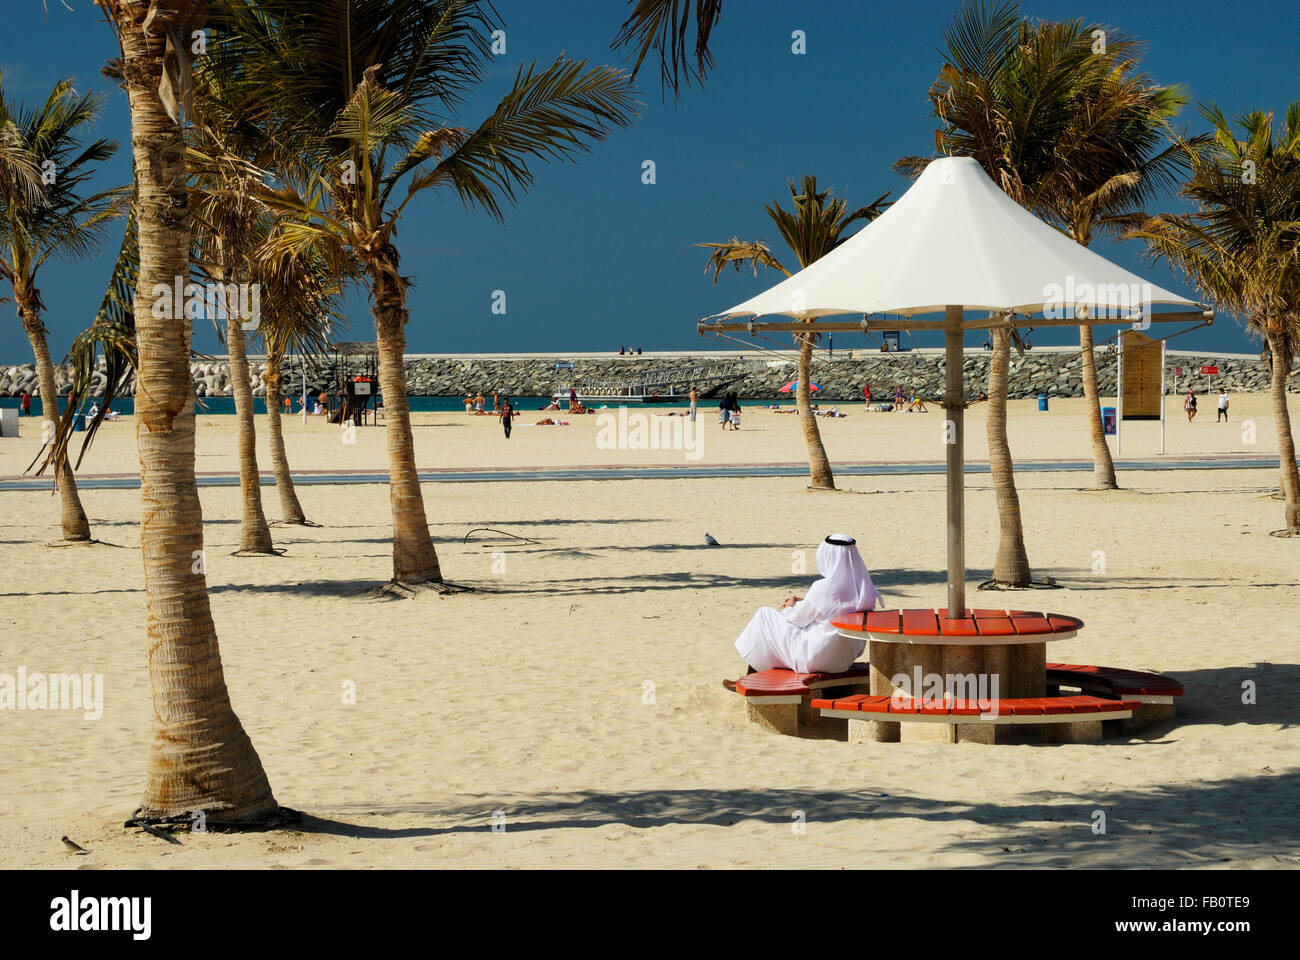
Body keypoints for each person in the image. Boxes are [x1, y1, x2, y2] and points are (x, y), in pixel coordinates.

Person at [728, 534, 882, 678]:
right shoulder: (864, 588)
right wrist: (804, 602)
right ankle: (755, 673)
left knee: (765, 616)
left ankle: (750, 676)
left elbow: (796, 620)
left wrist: (791, 606)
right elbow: (834, 608)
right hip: (843, 661)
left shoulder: (824, 587)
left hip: (814, 658)